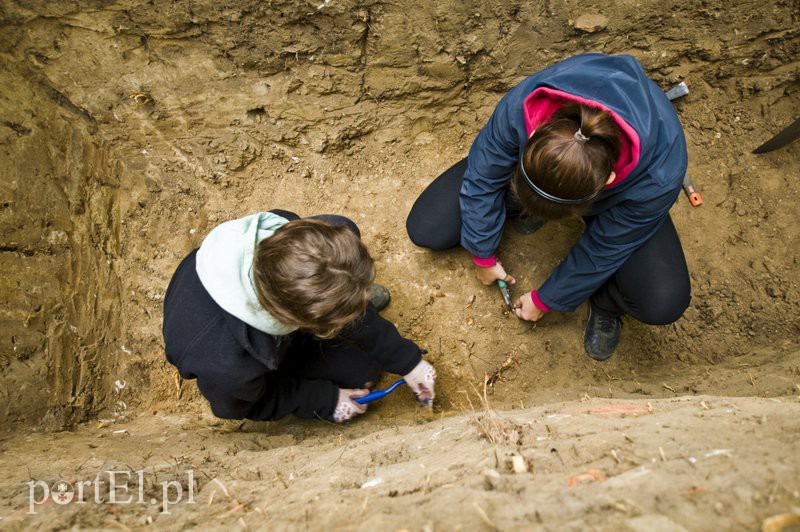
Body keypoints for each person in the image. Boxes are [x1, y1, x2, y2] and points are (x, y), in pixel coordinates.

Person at [406, 53, 691, 360]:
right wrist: (482, 252)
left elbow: (605, 248)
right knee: (429, 228)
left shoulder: (660, 175)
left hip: (630, 194)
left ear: (608, 181)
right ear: (531, 141)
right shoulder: (524, 106)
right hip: (556, 171)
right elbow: (483, 176)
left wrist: (548, 299)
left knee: (662, 302)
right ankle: (523, 201)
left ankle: (606, 302)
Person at [163, 210, 436, 423]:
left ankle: (343, 298)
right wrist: (325, 400)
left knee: (342, 231)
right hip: (242, 346)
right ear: (299, 322)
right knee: (360, 373)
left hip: (269, 309)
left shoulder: (280, 232)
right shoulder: (228, 368)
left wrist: (407, 361)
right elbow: (242, 406)